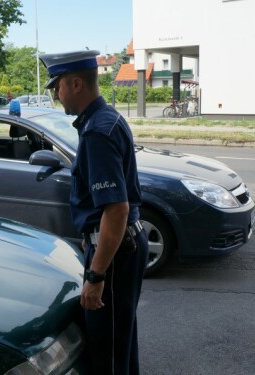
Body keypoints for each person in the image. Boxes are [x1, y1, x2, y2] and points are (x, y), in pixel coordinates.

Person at [40, 50, 149, 374]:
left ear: (75, 84)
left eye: (56, 87)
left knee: (107, 353)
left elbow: (116, 209)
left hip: (114, 255)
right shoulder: (107, 118)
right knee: (121, 342)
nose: (56, 96)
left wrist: (96, 276)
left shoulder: (97, 132)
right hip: (119, 246)